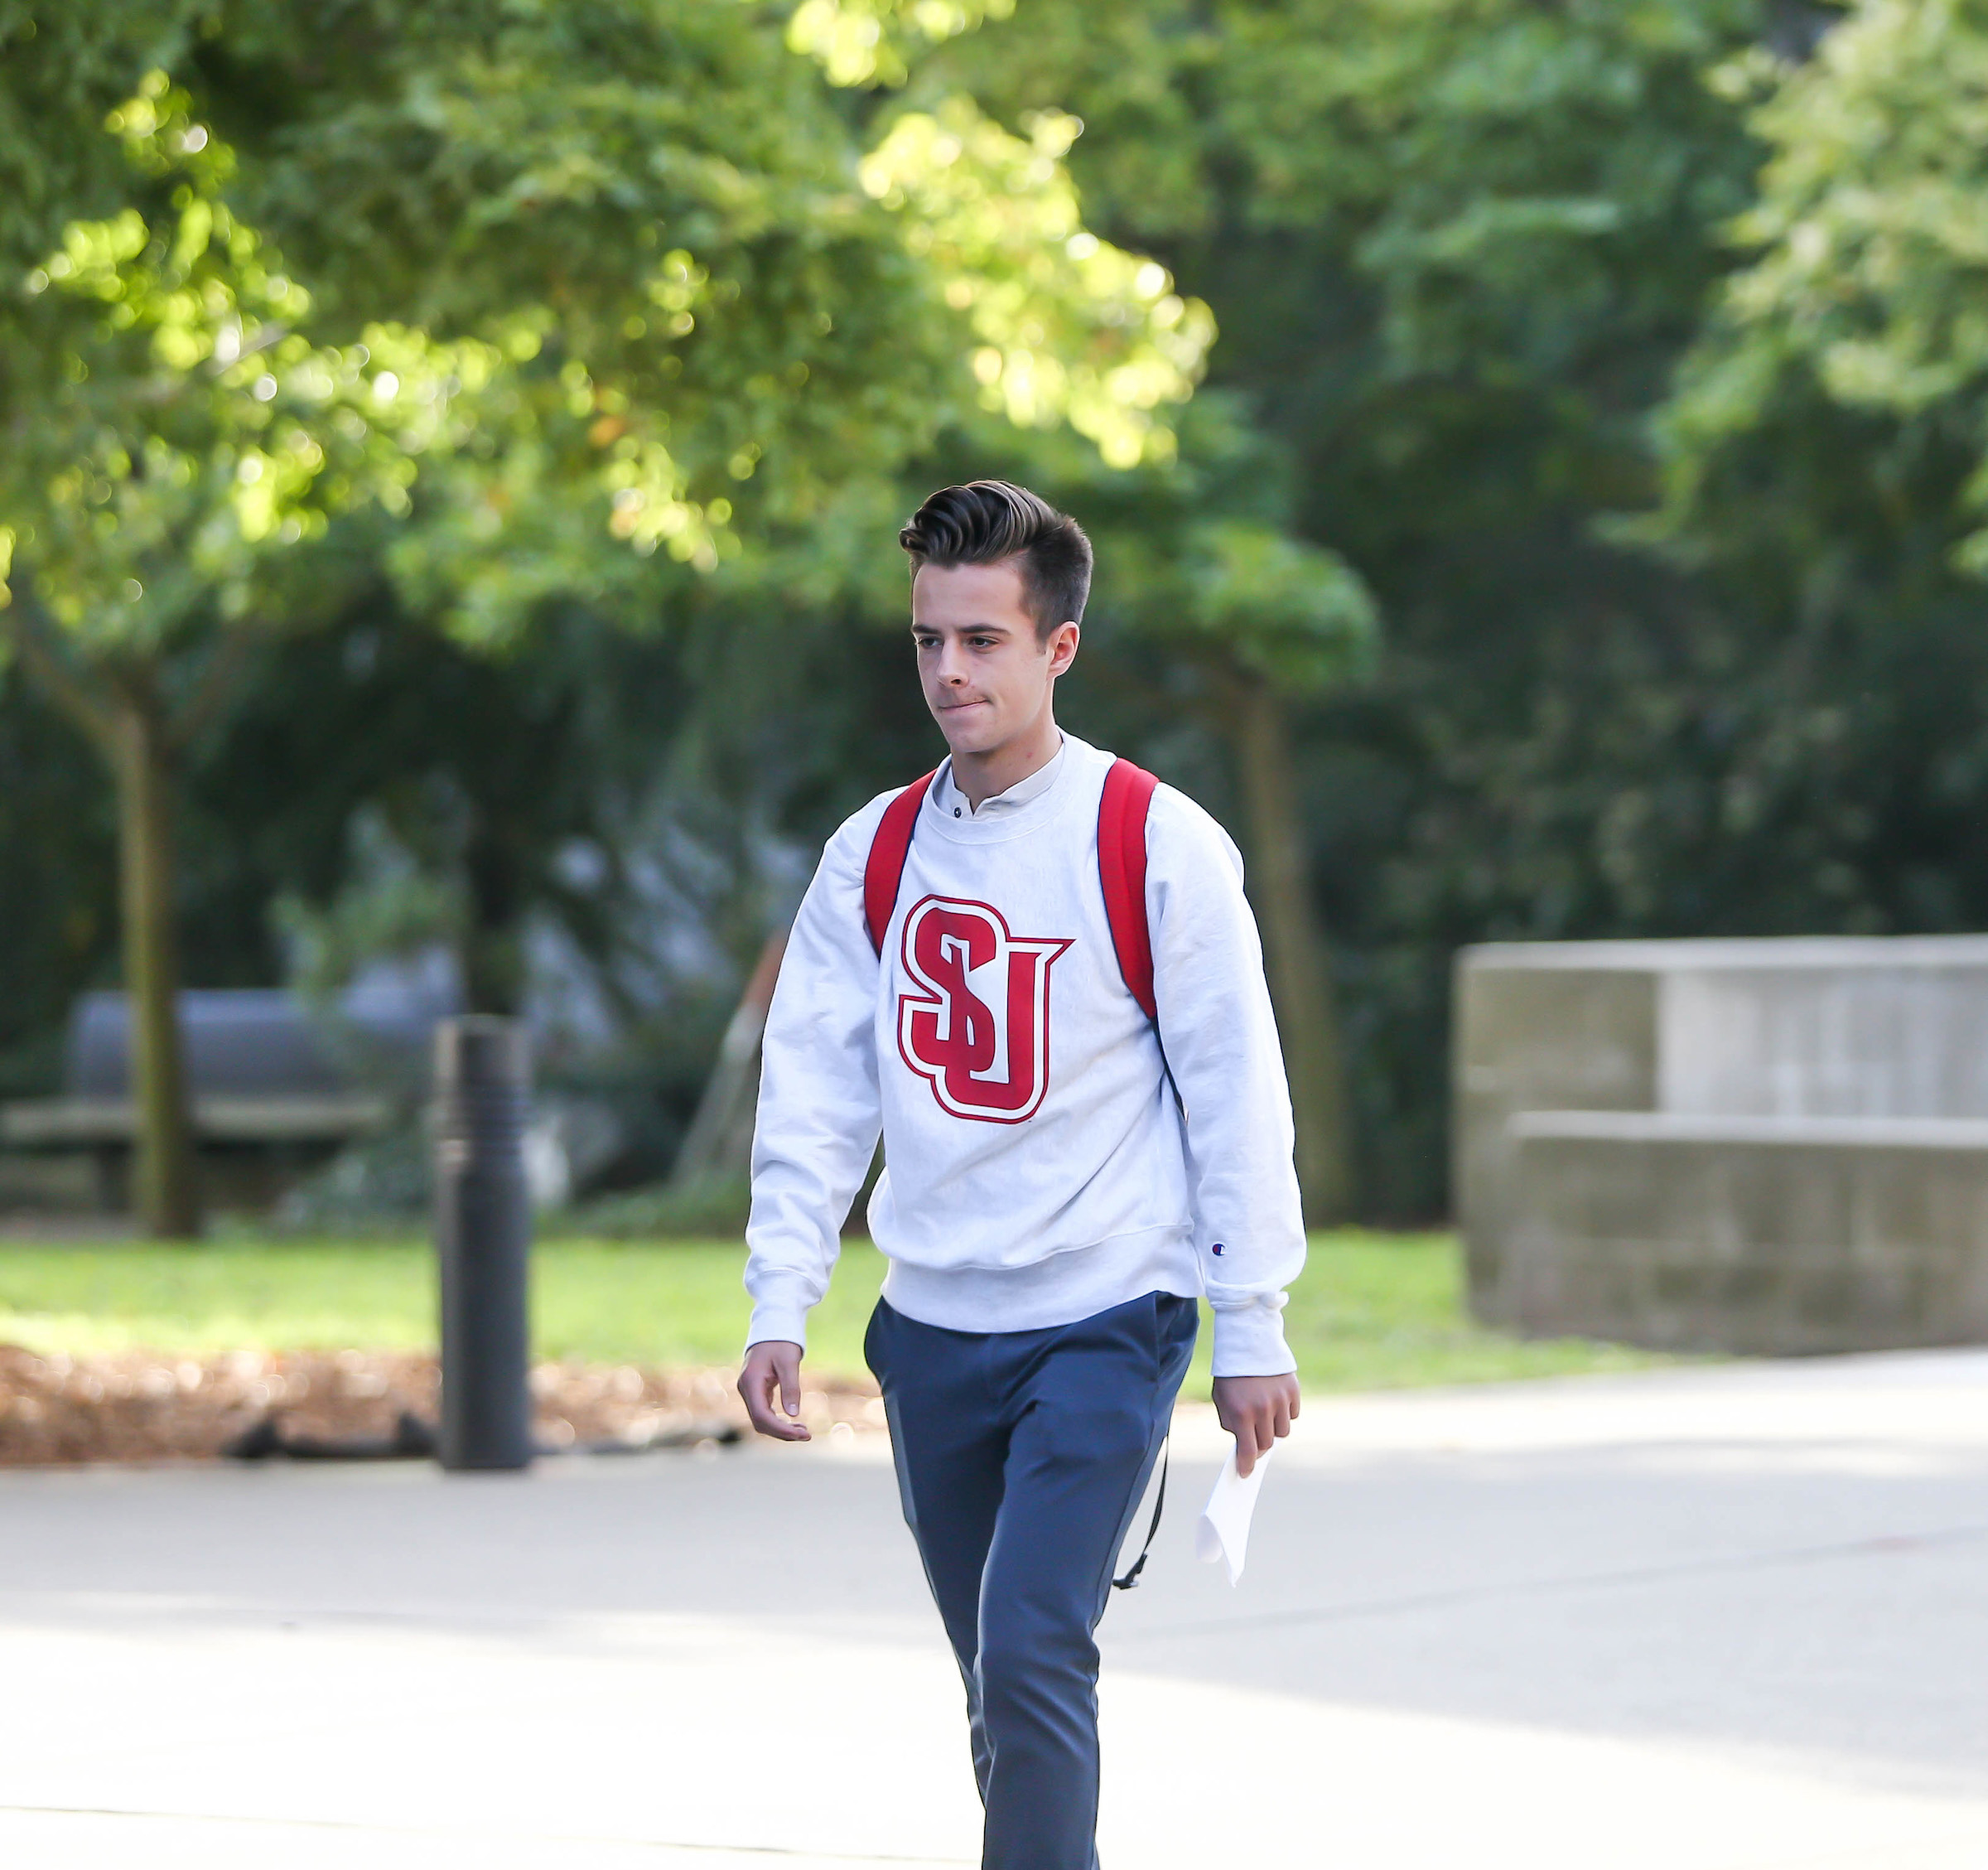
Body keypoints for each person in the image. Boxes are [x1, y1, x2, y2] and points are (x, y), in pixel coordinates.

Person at [737, 480, 1305, 1870]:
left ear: (1057, 649)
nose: (946, 671)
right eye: (929, 639)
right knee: (998, 1680)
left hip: (1108, 1314)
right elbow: (814, 1093)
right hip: (932, 1329)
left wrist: (1254, 1322)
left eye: (982, 641)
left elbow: (1238, 1094)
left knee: (1032, 1643)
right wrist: (778, 1299)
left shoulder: (1154, 842)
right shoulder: (871, 855)